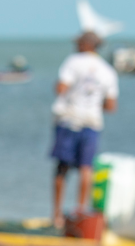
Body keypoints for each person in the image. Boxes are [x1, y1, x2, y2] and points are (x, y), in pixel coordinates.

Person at [51, 30, 118, 229]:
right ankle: (80, 212)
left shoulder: (73, 62)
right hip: (92, 121)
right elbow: (111, 106)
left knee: (62, 168)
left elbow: (60, 88)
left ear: (84, 45)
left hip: (69, 119)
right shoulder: (107, 70)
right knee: (85, 168)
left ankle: (56, 216)